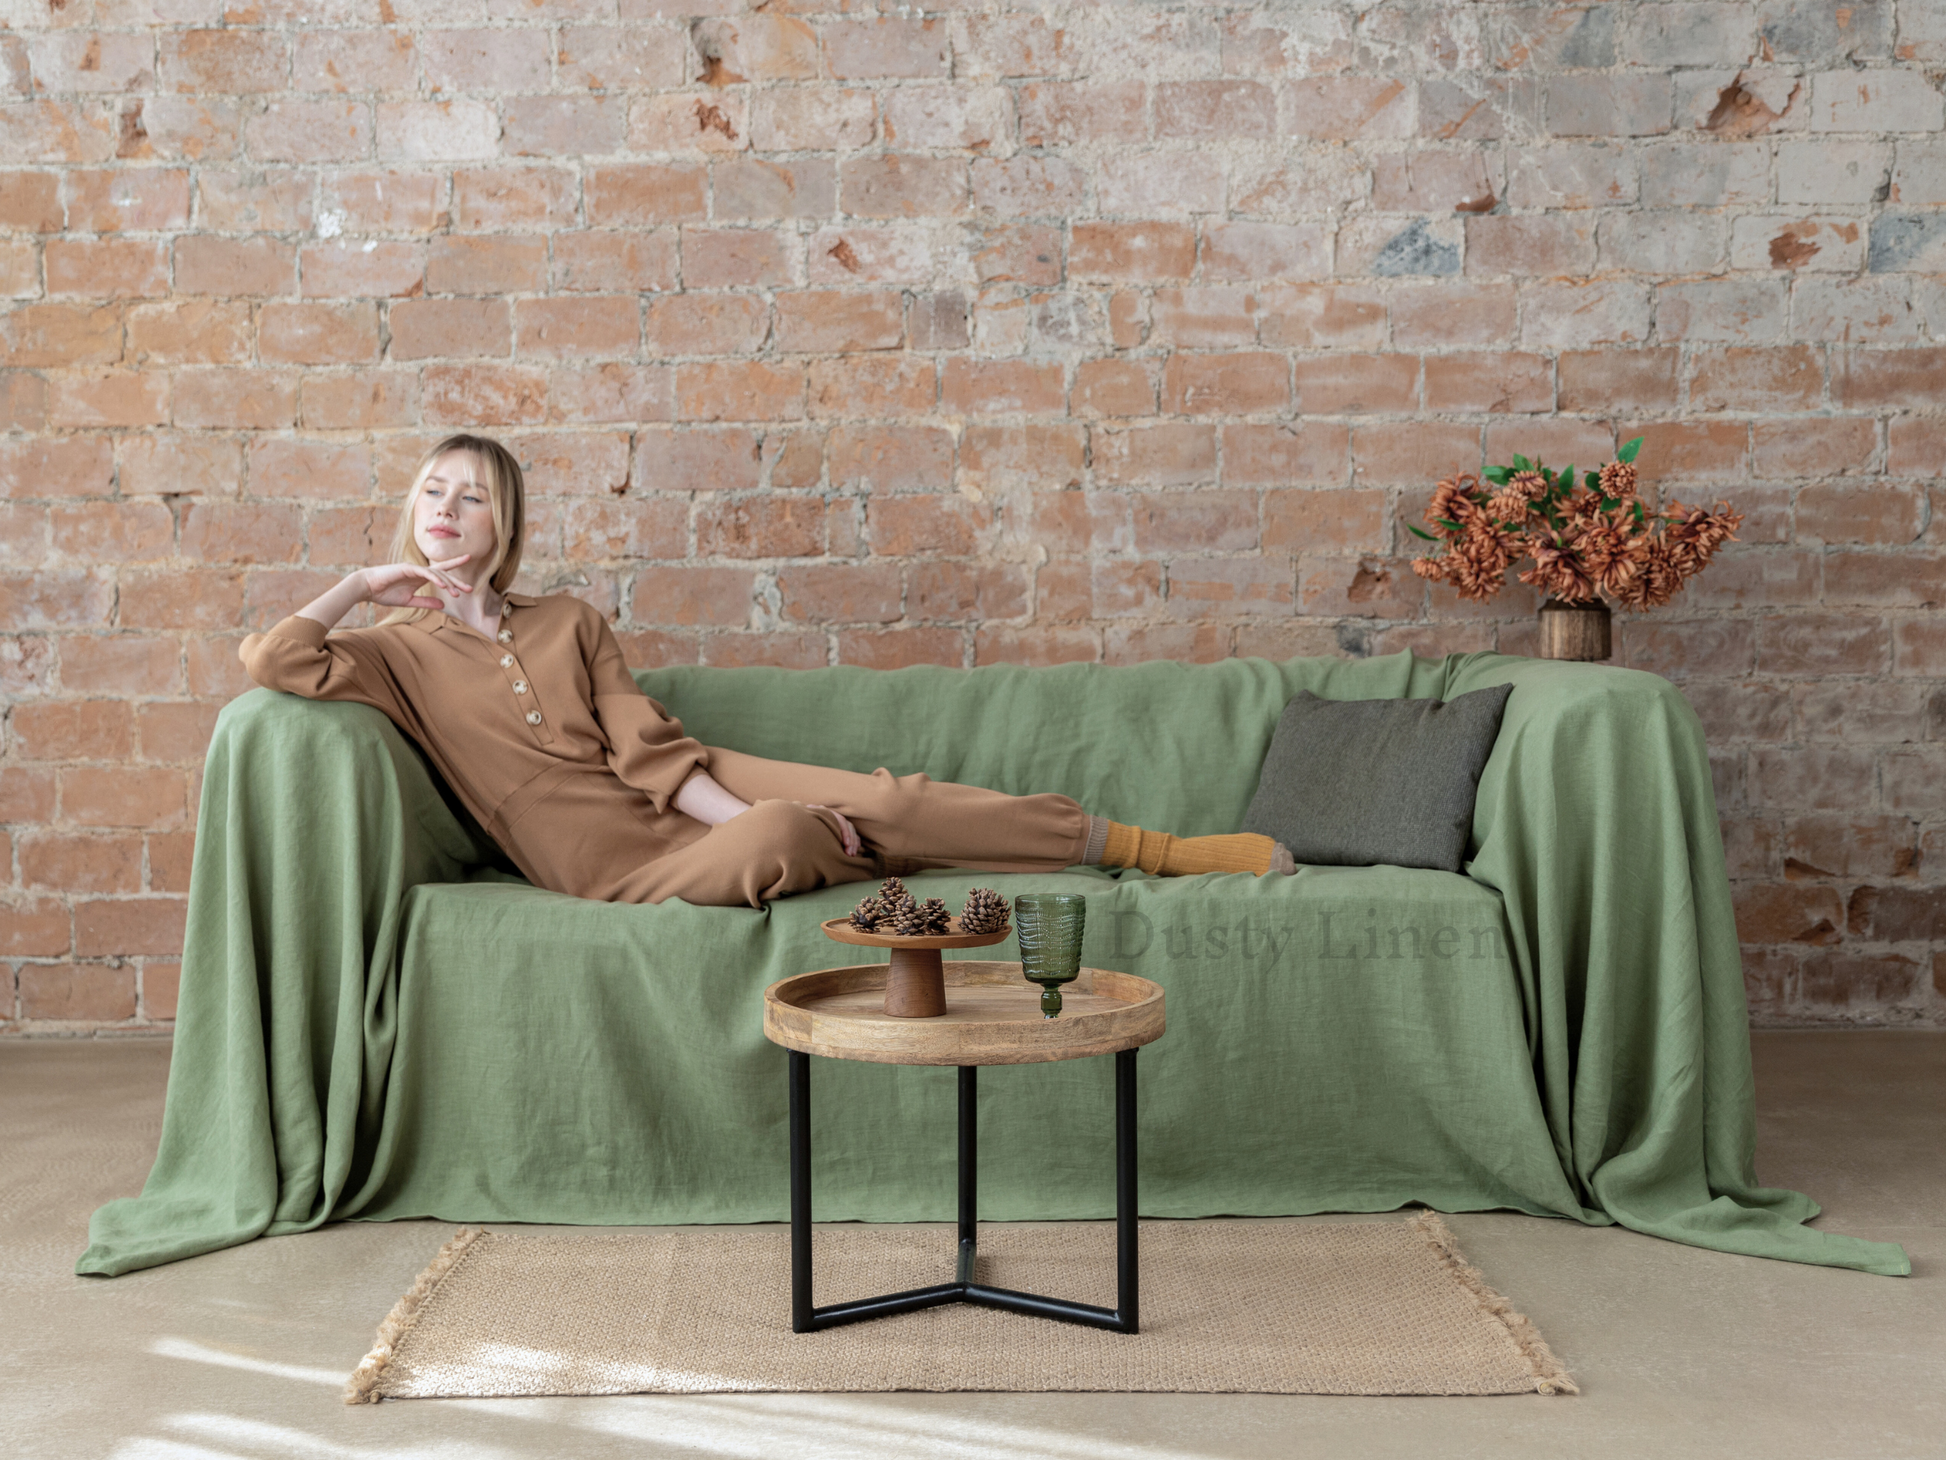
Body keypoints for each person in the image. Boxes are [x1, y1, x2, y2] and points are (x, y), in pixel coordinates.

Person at [239, 434, 1294, 909]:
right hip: (607, 860)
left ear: (502, 519)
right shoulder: (388, 653)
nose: (445, 509)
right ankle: (854, 849)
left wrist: (739, 811)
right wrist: (362, 582)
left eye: (470, 495)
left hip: (687, 790)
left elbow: (646, 748)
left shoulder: (567, 617)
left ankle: (1160, 850)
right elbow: (272, 659)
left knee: (887, 799)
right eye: (431, 490)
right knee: (795, 831)